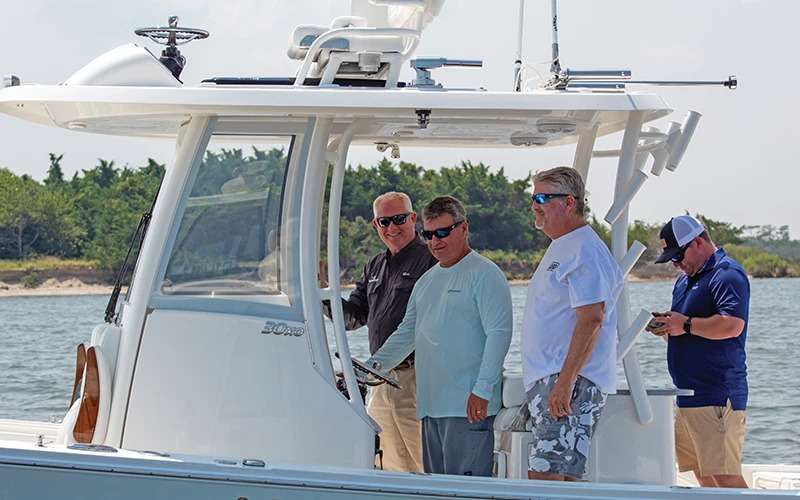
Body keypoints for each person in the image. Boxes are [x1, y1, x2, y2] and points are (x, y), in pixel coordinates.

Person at [366, 195, 512, 477]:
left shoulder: (485, 274)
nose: (435, 241)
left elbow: (499, 334)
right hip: (429, 406)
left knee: (466, 494)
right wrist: (371, 367)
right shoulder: (426, 281)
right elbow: (407, 332)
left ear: (464, 228)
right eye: (429, 234)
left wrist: (482, 391)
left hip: (468, 407)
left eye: (443, 232)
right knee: (439, 490)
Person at [320, 191, 437, 472]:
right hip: (379, 378)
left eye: (398, 219)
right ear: (375, 225)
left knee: (423, 458)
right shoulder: (374, 265)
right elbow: (353, 318)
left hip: (416, 376)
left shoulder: (430, 259)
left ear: (412, 219)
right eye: (384, 221)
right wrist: (322, 291)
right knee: (384, 456)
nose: (392, 227)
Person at [520, 166, 623, 482]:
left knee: (545, 482)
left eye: (541, 197)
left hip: (569, 384)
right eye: (533, 197)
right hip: (558, 381)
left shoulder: (583, 249)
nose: (535, 205)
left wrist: (565, 383)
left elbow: (592, 319)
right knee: (562, 482)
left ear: (568, 202)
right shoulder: (565, 246)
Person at [646, 215, 750, 488]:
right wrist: (668, 329)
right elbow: (687, 331)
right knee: (702, 474)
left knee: (724, 476)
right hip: (688, 395)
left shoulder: (727, 274)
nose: (676, 264)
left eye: (679, 256)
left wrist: (686, 324)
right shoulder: (683, 281)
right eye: (671, 259)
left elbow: (732, 325)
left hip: (717, 394)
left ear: (698, 242)